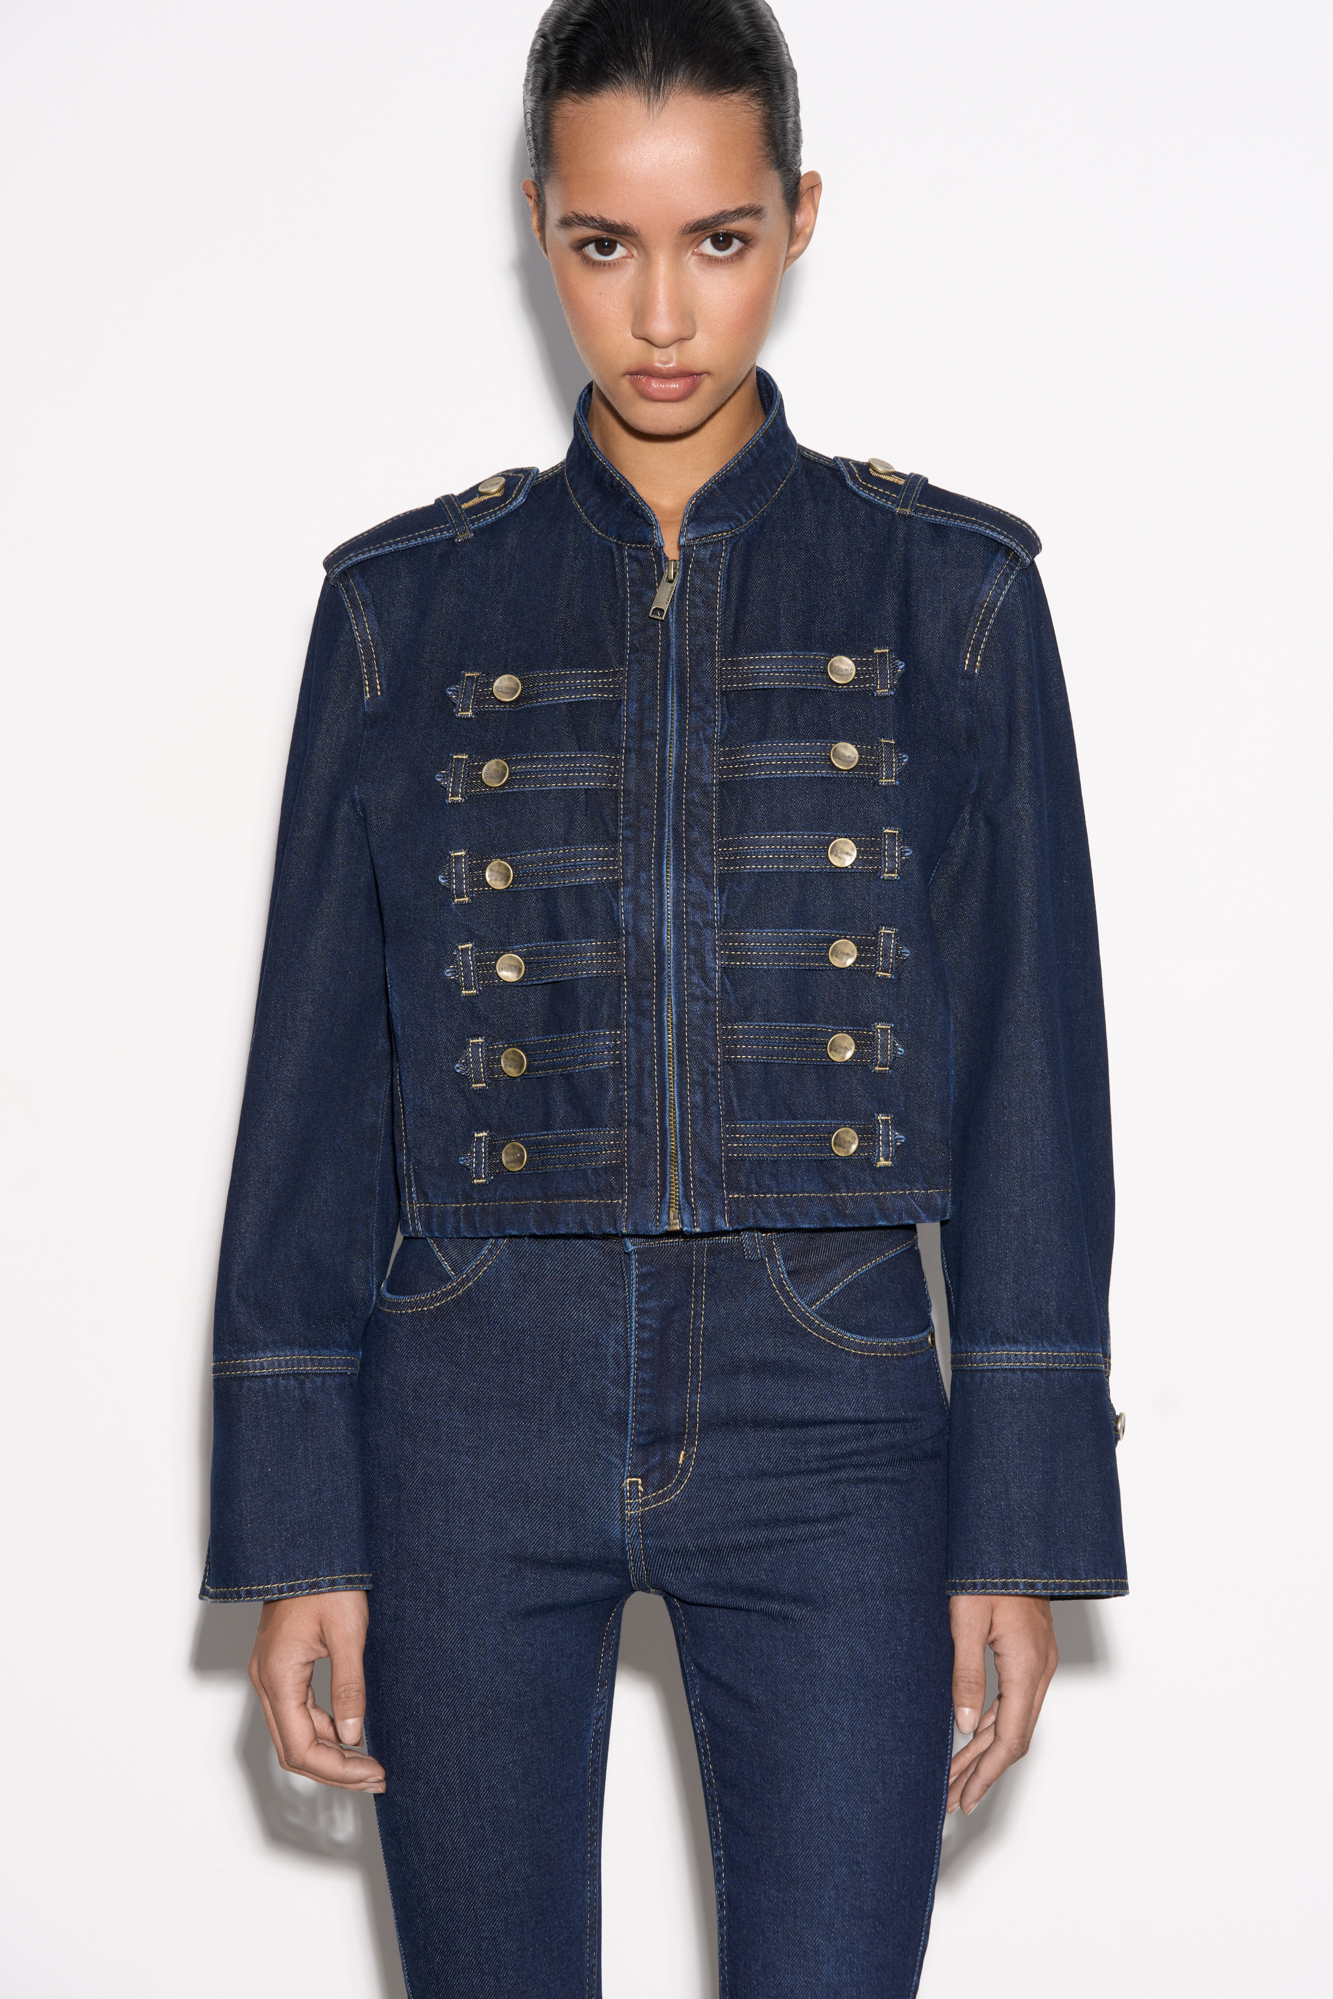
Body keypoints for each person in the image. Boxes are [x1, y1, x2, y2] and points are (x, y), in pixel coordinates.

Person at [204, 3, 1127, 1992]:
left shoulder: (952, 596)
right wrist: (297, 1524)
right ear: (538, 227)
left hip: (837, 1401)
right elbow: (314, 1088)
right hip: (467, 1396)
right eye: (602, 243)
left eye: (718, 238)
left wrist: (1018, 1519)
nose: (660, 315)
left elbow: (1033, 1081)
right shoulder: (400, 611)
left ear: (799, 217)